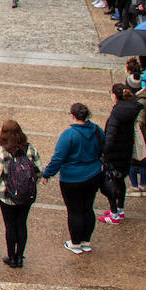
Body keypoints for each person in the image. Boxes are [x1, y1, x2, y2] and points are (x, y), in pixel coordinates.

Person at [42, 103, 105, 254]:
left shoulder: (69, 135)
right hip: (94, 173)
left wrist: (47, 173)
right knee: (88, 208)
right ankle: (86, 241)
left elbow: (58, 158)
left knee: (75, 210)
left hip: (72, 178)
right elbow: (103, 147)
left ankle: (75, 243)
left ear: (72, 116)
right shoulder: (97, 130)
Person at [0, 120, 40, 268]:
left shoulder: (2, 151)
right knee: (22, 224)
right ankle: (20, 256)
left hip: (7, 195)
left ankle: (11, 257)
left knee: (10, 225)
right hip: (26, 195)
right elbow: (38, 170)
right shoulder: (29, 148)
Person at [100, 84, 141, 224]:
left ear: (115, 95)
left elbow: (110, 138)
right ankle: (120, 209)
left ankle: (114, 214)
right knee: (120, 181)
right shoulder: (131, 109)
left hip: (114, 155)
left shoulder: (117, 113)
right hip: (126, 151)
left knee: (110, 182)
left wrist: (103, 152)